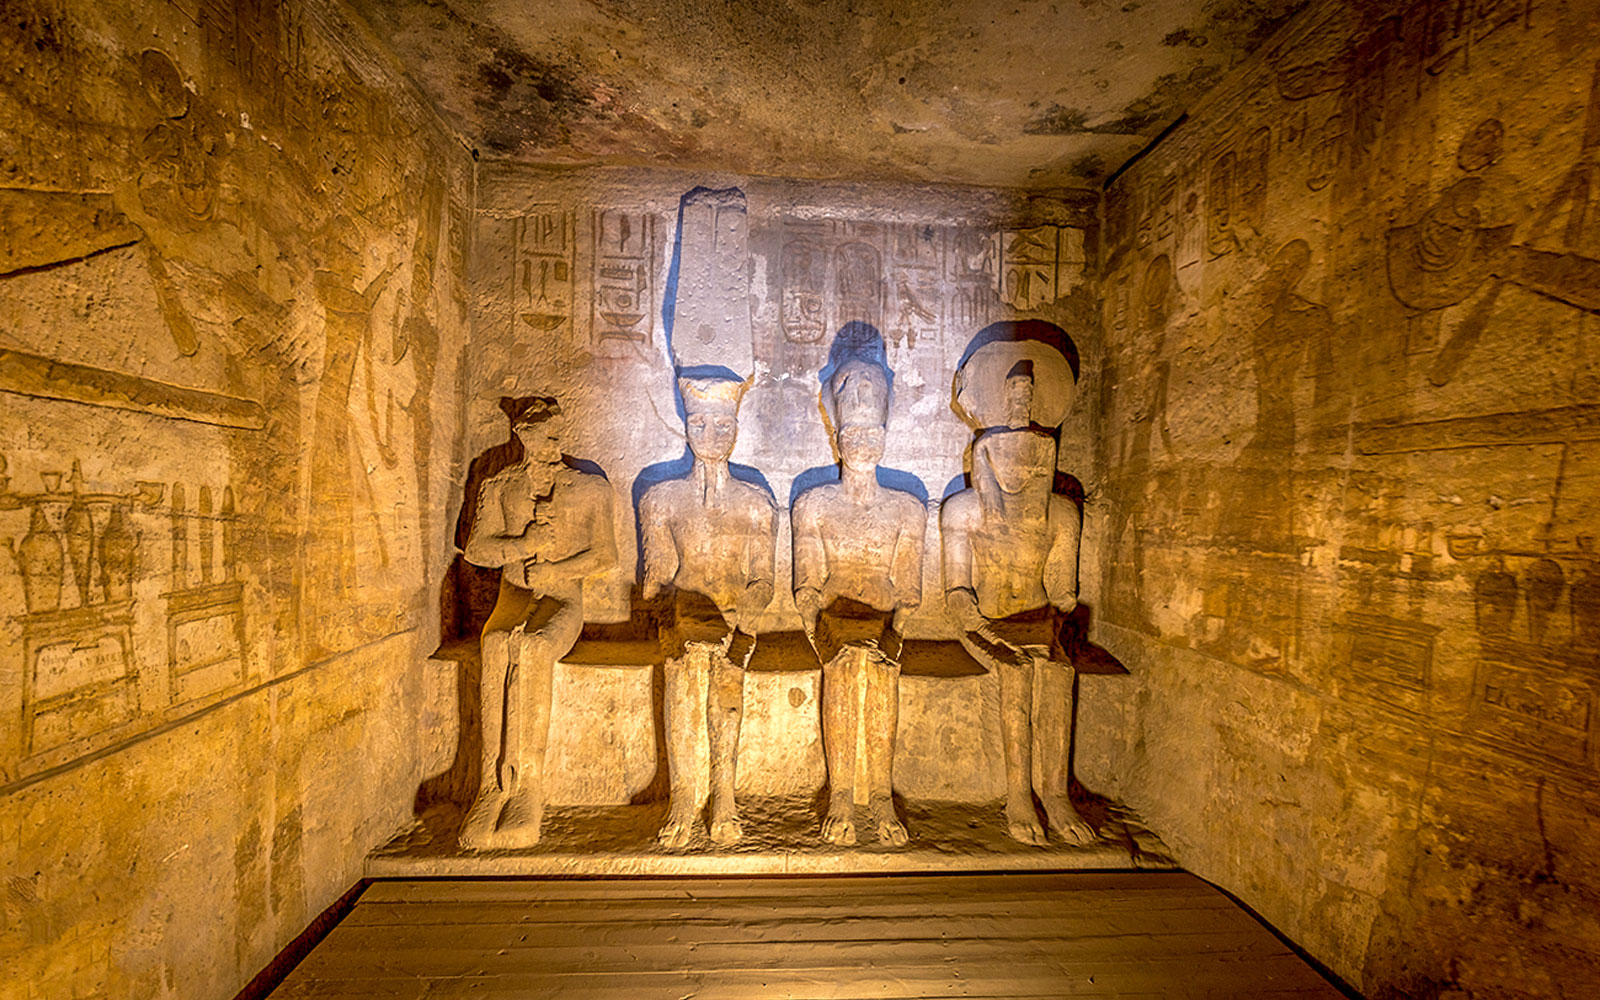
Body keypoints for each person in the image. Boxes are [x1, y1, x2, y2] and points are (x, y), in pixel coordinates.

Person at [460, 397, 616, 848]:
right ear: (522, 438)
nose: (549, 446)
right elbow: (476, 550)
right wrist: (522, 545)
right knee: (495, 644)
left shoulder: (588, 488)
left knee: (534, 648)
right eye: (539, 438)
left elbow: (606, 554)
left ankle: (527, 785)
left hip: (562, 598)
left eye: (553, 437)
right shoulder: (500, 485)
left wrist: (556, 571)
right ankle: (492, 784)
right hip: (513, 597)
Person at [792, 336, 924, 846]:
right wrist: (820, 632)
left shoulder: (907, 508)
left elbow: (908, 592)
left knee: (882, 673)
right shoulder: (814, 504)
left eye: (873, 433)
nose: (864, 443)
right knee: (846, 668)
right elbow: (807, 586)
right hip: (832, 623)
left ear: (885, 436)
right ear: (837, 436)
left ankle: (882, 795)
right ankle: (842, 794)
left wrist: (895, 632)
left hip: (884, 624)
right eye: (854, 433)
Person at [640, 375, 777, 846]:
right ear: (685, 426)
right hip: (684, 617)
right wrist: (674, 623)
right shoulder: (661, 499)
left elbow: (763, 581)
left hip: (736, 617)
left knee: (727, 685)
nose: (712, 434)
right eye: (699, 423)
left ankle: (724, 794)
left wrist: (741, 624)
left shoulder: (755, 503)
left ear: (736, 428)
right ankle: (683, 796)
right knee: (681, 684)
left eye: (722, 424)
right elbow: (656, 581)